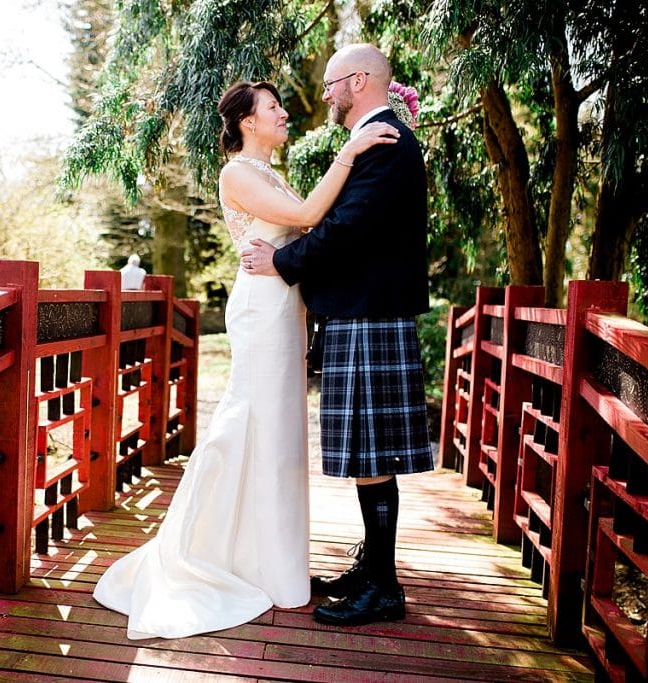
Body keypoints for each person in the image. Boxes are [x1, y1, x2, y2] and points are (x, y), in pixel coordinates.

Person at [92, 78, 398, 640]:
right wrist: (351, 151)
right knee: (255, 422)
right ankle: (216, 551)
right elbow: (308, 215)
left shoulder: (269, 173)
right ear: (248, 122)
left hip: (285, 305)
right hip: (261, 309)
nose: (285, 114)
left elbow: (307, 226)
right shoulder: (237, 173)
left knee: (279, 433)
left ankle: (271, 563)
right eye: (275, 108)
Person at [241, 43, 434, 626]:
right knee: (366, 453)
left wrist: (283, 262)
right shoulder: (375, 140)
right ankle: (372, 569)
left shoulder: (387, 142)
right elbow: (340, 221)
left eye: (330, 83)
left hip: (370, 312)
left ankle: (384, 587)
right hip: (361, 311)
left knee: (373, 454)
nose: (323, 93)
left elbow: (348, 229)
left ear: (357, 81)